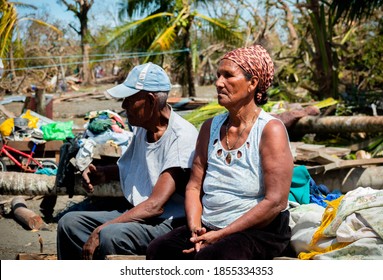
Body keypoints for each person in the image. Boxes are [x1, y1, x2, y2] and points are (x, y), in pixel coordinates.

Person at [146, 45, 294, 260]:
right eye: (218, 75)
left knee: (211, 259)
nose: (218, 83)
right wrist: (196, 229)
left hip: (259, 230)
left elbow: (275, 202)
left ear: (252, 83)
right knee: (159, 250)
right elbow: (194, 186)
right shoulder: (210, 128)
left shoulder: (270, 130)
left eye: (228, 76)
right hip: (210, 224)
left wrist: (222, 234)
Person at [57, 62, 199, 260]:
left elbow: (155, 206)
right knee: (69, 224)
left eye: (129, 100)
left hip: (168, 221)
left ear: (150, 101)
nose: (123, 106)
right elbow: (138, 164)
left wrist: (102, 228)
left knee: (110, 235)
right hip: (142, 214)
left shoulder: (181, 137)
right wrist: (104, 172)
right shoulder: (143, 128)